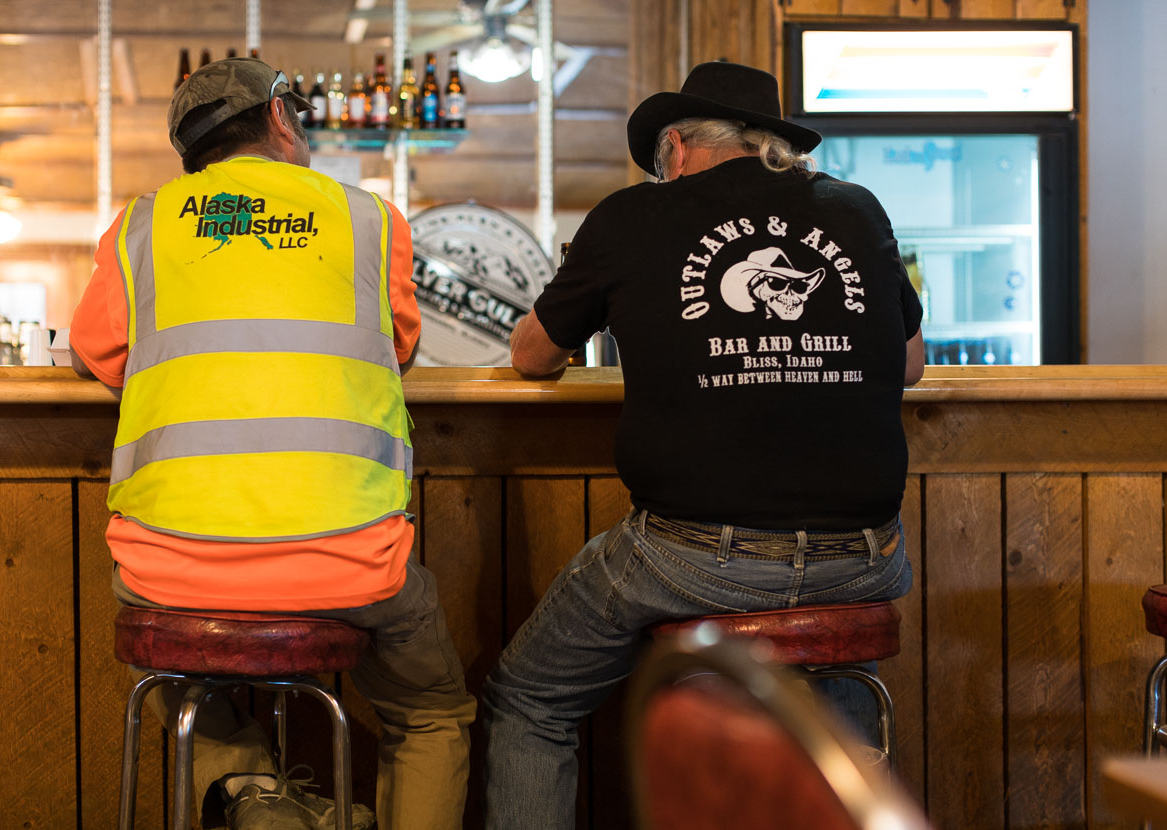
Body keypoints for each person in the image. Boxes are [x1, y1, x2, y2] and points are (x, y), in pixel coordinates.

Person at [482, 61, 926, 829]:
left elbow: (531, 355)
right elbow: (913, 362)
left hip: (691, 556)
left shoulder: (632, 217)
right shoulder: (857, 209)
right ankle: (841, 791)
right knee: (825, 692)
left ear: (676, 148)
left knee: (528, 696)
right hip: (863, 556)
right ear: (769, 145)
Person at [69, 57, 476, 830]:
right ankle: (272, 802)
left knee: (180, 669)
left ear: (191, 154)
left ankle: (253, 794)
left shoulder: (143, 223)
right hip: (351, 561)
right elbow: (398, 344)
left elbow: (102, 354)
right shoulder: (368, 218)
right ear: (283, 119)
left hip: (167, 566)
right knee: (430, 714)